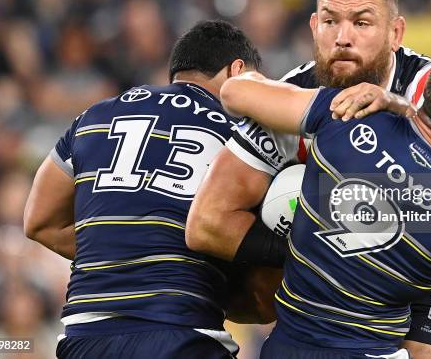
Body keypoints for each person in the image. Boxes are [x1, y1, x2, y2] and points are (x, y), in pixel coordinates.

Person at [186, 0, 431, 358]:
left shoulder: (428, 89)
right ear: (314, 26)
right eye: (331, 22)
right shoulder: (298, 95)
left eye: (362, 23)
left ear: (395, 34)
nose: (343, 38)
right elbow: (208, 224)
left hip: (424, 268)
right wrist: (322, 253)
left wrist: (399, 109)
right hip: (312, 282)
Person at [23, 20, 263, 359]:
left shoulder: (94, 115)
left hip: (85, 335)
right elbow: (260, 300)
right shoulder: (242, 136)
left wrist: (121, 253)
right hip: (181, 332)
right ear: (237, 70)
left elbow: (39, 221)